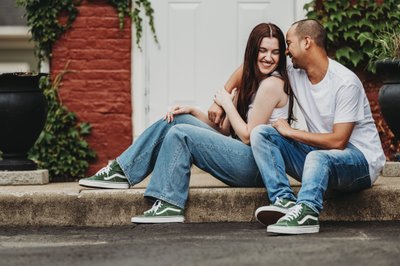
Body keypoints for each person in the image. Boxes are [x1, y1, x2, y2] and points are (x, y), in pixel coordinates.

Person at [79, 22, 294, 223]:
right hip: (243, 158)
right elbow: (225, 130)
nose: (268, 57)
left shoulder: (272, 85)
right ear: (253, 52)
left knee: (182, 134)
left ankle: (170, 203)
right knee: (177, 119)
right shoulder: (252, 82)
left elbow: (248, 136)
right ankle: (122, 171)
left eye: (275, 52)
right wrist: (193, 111)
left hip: (258, 167)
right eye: (263, 51)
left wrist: (227, 104)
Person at [208, 19, 385, 234]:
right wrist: (221, 99)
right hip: (320, 156)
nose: (285, 52)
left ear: (307, 42)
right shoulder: (295, 71)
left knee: (318, 157)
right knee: (262, 133)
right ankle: (284, 201)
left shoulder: (345, 82)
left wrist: (292, 132)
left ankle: (308, 212)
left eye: (289, 44)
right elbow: (250, 65)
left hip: (359, 163)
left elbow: (339, 141)